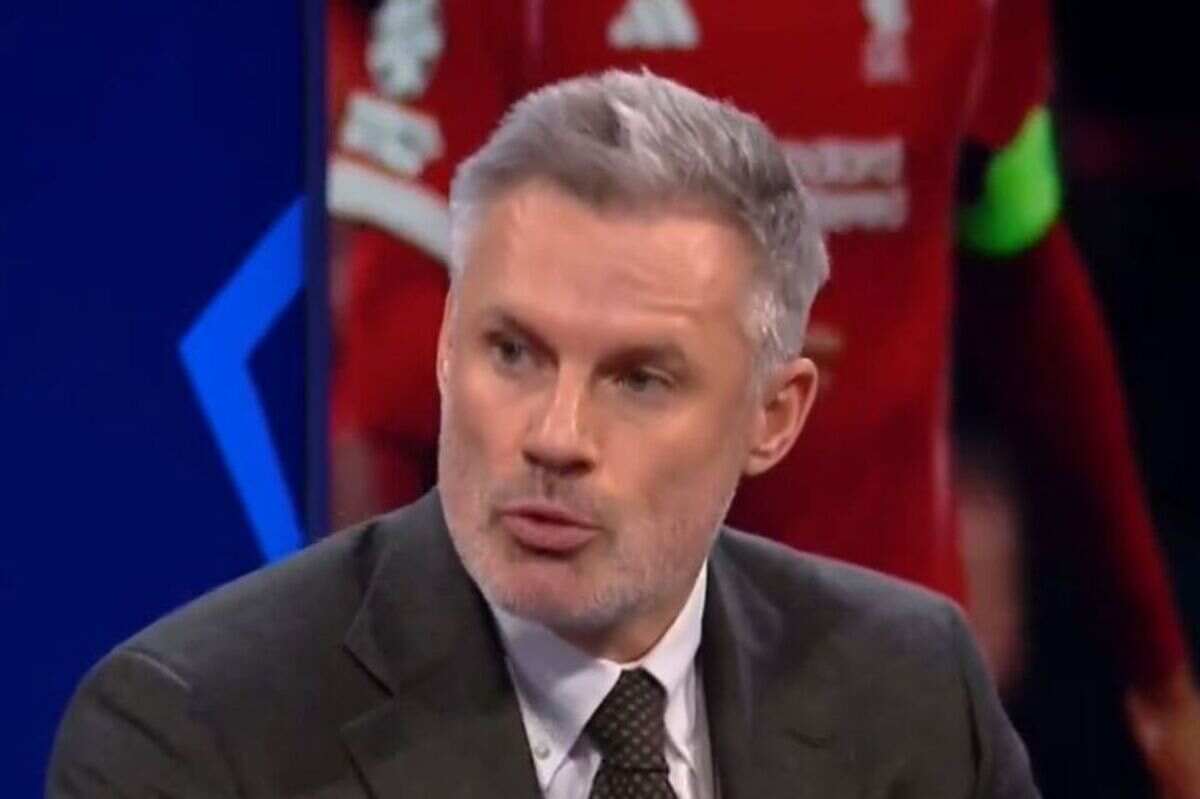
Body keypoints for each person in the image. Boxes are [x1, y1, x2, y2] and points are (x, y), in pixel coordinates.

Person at [48, 71, 1039, 798]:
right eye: (514, 352)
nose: (555, 437)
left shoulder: (911, 690)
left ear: (773, 416)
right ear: (447, 346)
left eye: (639, 379)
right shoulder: (197, 733)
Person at [328, 2, 1200, 792]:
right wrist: (407, 708)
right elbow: (395, 387)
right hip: (566, 701)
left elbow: (1026, 282)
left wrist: (1155, 665)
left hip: (881, 702)